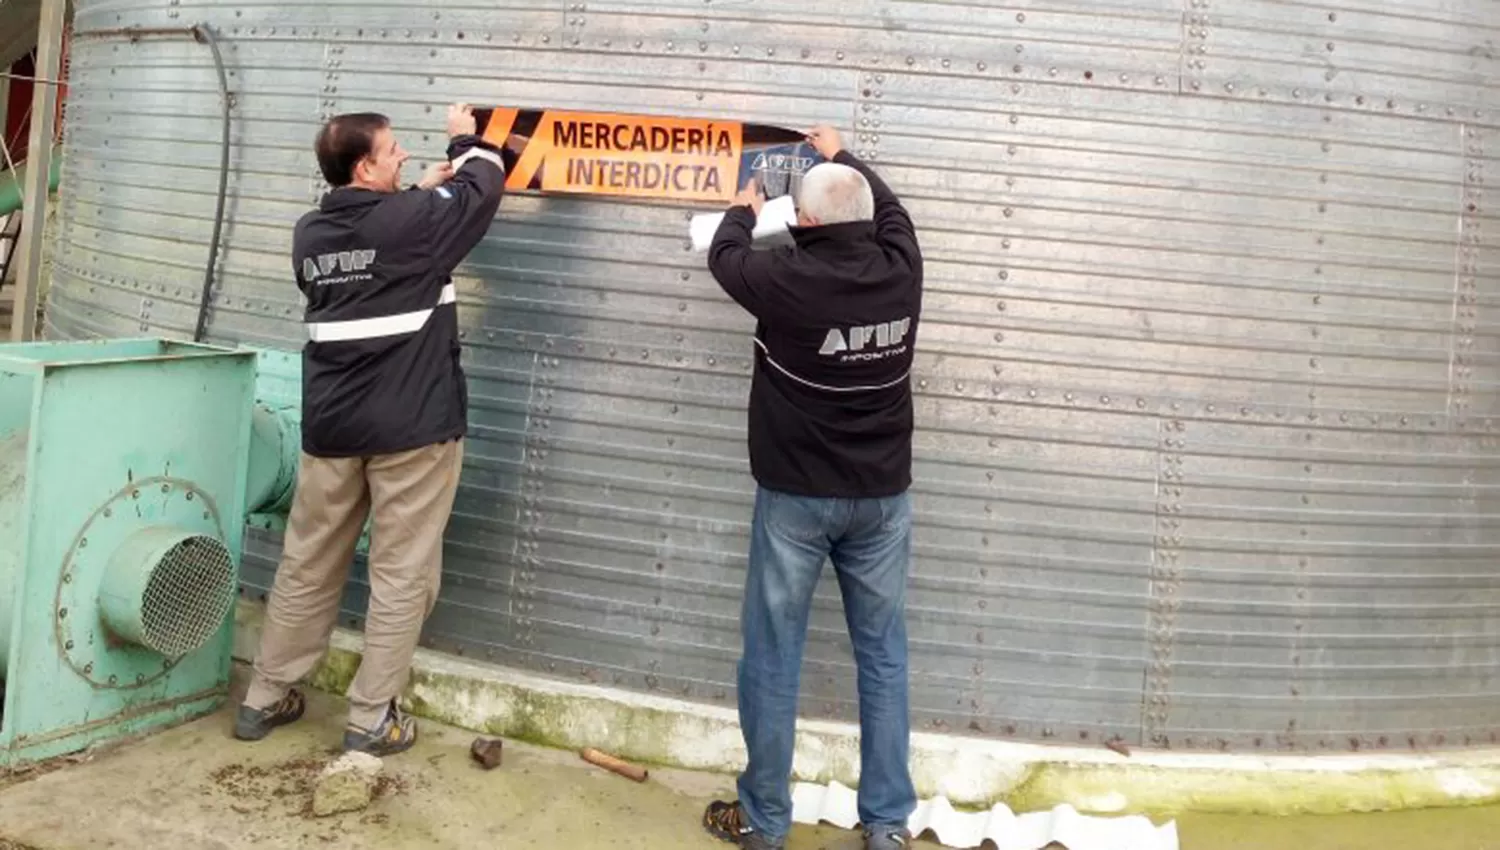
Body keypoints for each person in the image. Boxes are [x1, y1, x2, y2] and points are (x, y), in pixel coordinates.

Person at [233, 103, 513, 756]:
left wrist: (414, 195)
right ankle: (370, 718)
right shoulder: (414, 223)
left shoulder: (310, 234)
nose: (404, 158)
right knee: (400, 574)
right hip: (412, 431)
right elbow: (485, 183)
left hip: (332, 431)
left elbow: (373, 241)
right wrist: (466, 138)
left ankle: (264, 696)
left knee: (306, 563)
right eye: (392, 152)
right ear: (364, 165)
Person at [701, 125, 923, 850]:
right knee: (883, 656)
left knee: (772, 654)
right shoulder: (903, 266)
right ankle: (886, 825)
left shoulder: (786, 282)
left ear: (802, 222)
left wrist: (743, 205)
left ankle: (765, 822)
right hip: (883, 501)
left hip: (796, 500)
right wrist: (843, 155)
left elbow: (724, 255)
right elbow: (891, 211)